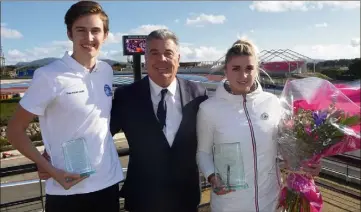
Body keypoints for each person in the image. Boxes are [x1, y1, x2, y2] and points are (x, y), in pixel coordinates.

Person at [7, 1, 123, 212]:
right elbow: (14, 130)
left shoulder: (106, 70)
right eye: (81, 30)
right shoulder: (49, 75)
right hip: (67, 190)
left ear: (105, 35)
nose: (89, 38)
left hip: (108, 184)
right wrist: (47, 167)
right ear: (70, 34)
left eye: (95, 31)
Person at [196, 39, 321, 212]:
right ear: (226, 70)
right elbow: (203, 153)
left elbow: (285, 147)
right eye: (236, 69)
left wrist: (307, 164)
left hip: (271, 201)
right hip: (229, 204)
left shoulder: (273, 102)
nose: (243, 76)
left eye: (249, 68)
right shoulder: (209, 109)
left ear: (257, 70)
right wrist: (212, 177)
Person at [110, 29, 208, 212]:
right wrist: (57, 155)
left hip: (185, 199)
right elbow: (100, 133)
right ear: (146, 59)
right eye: (154, 53)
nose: (162, 59)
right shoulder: (126, 96)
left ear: (178, 58)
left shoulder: (198, 94)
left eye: (168, 53)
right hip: (142, 199)